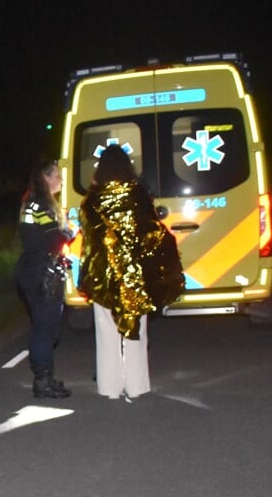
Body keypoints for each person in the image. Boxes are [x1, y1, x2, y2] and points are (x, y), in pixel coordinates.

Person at [77, 144, 183, 400]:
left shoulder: (92, 200)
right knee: (137, 330)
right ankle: (137, 386)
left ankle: (109, 388)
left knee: (106, 333)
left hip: (104, 276)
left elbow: (89, 237)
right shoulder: (138, 195)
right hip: (134, 275)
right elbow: (151, 232)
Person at [15, 159, 75, 398]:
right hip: (40, 272)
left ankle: (46, 376)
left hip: (35, 270)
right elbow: (53, 240)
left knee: (46, 327)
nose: (61, 180)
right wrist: (71, 229)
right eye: (58, 176)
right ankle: (42, 381)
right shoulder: (40, 205)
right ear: (46, 178)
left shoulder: (34, 204)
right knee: (44, 328)